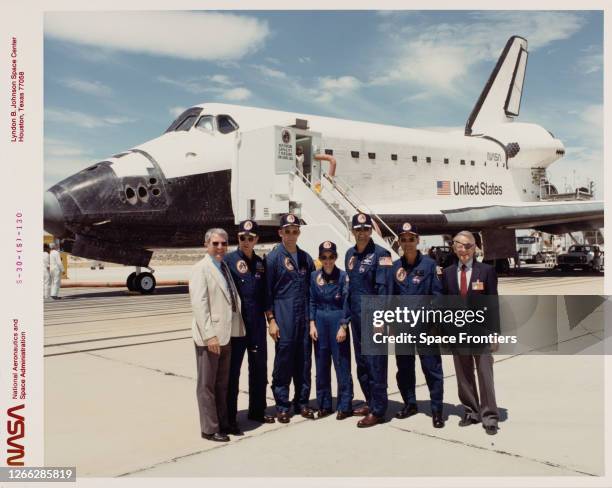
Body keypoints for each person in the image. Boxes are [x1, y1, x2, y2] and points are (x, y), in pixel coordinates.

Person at [440, 230, 500, 435]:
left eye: (469, 246)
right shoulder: (447, 273)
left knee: (485, 374)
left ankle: (490, 416)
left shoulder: (486, 271)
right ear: (454, 247)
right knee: (463, 375)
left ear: (475, 248)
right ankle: (471, 412)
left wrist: (494, 332)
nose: (464, 250)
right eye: (461, 245)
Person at [190, 228, 245, 442]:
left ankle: (222, 423)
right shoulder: (200, 269)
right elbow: (199, 304)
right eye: (215, 243)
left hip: (226, 335)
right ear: (206, 244)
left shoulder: (223, 267)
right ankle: (209, 428)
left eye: (223, 243)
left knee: (222, 384)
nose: (220, 247)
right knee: (207, 385)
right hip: (210, 338)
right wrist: (209, 335)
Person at [390, 223, 444, 428]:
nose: (407, 243)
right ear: (400, 242)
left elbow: (438, 296)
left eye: (411, 239)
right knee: (404, 368)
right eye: (403, 239)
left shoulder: (430, 265)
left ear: (417, 240)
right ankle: (410, 404)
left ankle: (437, 410)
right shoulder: (396, 267)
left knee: (432, 368)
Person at [224, 220, 275, 433]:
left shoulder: (260, 263)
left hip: (256, 325)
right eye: (243, 238)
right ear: (238, 239)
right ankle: (229, 418)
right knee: (232, 372)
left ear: (256, 240)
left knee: (259, 369)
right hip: (237, 327)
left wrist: (271, 319)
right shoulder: (228, 261)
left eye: (250, 238)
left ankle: (257, 410)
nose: (246, 242)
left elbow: (265, 295)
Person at [343, 213, 392, 428]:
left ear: (370, 231)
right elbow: (349, 290)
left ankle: (379, 410)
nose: (361, 233)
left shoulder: (383, 255)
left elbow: (385, 291)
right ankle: (370, 401)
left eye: (365, 229)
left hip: (374, 319)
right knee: (362, 364)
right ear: (352, 231)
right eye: (358, 229)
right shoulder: (349, 255)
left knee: (376, 364)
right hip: (356, 317)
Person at [265, 214, 316, 423]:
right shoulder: (273, 258)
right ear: (280, 233)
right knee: (284, 361)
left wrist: (312, 320)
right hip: (283, 314)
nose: (291, 235)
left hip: (303, 317)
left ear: (299, 233)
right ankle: (283, 406)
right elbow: (266, 292)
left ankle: (302, 402)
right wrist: (271, 320)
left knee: (304, 361)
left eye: (295, 231)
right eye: (287, 231)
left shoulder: (306, 258)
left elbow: (313, 290)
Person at [309, 241, 353, 420]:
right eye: (324, 257)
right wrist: (311, 323)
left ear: (335, 257)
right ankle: (325, 404)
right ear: (320, 258)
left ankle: (345, 405)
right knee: (321, 365)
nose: (328, 261)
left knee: (341, 364)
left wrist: (344, 325)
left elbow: (346, 303)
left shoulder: (343, 277)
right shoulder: (314, 276)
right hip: (319, 321)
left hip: (337, 321)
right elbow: (311, 300)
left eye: (331, 257)